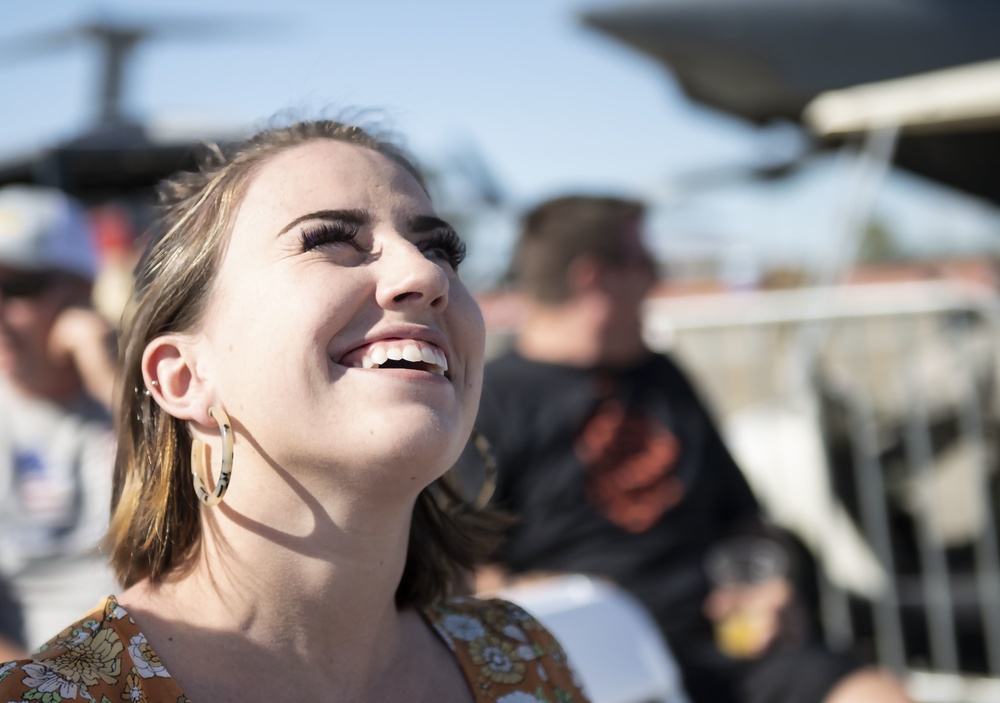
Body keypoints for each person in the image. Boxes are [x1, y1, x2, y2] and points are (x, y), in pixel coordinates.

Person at [0, 120, 590, 703]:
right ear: (185, 378)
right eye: (329, 239)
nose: (425, 273)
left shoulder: (527, 659)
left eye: (441, 249)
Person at [468, 195, 912, 703]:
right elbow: (458, 573)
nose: (659, 281)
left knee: (879, 694)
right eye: (648, 263)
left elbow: (747, 519)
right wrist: (546, 600)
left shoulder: (663, 375)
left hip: (735, 651)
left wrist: (770, 581)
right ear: (593, 279)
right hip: (603, 671)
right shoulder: (489, 402)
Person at [0, 185, 119, 660]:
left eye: (17, 288)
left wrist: (110, 378)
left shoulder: (148, 390)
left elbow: (208, 496)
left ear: (81, 295)